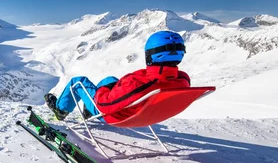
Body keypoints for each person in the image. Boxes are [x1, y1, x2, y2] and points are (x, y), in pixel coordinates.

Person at [45, 31, 191, 123]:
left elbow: (104, 104)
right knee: (109, 79)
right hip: (143, 111)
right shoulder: (183, 80)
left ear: (150, 54)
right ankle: (88, 111)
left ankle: (60, 111)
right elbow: (150, 82)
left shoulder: (138, 84)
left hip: (113, 114)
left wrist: (103, 90)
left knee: (78, 82)